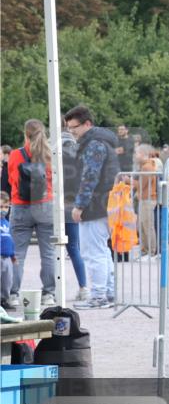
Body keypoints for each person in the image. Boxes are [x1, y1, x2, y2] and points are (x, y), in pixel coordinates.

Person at [65, 105, 121, 309]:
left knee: (93, 253)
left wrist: (79, 205)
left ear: (87, 124)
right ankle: (108, 293)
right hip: (106, 203)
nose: (71, 132)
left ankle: (99, 296)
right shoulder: (103, 141)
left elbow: (90, 176)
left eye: (74, 127)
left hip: (95, 205)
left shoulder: (93, 144)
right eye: (69, 128)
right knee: (102, 251)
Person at [6, 119, 57, 307]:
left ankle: (13, 294)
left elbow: (12, 180)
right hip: (45, 205)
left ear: (25, 134)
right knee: (48, 253)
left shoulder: (15, 154)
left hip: (21, 206)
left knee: (17, 253)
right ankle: (49, 293)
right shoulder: (50, 154)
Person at [60, 126, 88, 299]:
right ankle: (83, 287)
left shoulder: (53, 155)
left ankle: (51, 290)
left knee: (50, 250)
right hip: (73, 205)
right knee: (74, 248)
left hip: (54, 205)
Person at [135, 145, 162, 261]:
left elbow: (141, 185)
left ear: (143, 154)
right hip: (145, 199)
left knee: (147, 226)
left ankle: (150, 252)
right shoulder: (146, 166)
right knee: (142, 226)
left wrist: (128, 181)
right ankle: (145, 251)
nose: (135, 156)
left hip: (148, 199)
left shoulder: (147, 167)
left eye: (137, 153)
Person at [1, 192, 15, 310]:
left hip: (7, 257)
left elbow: (10, 240)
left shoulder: (7, 223)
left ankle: (4, 299)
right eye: (1, 207)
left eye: (6, 207)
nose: (3, 210)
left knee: (7, 280)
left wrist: (13, 255)